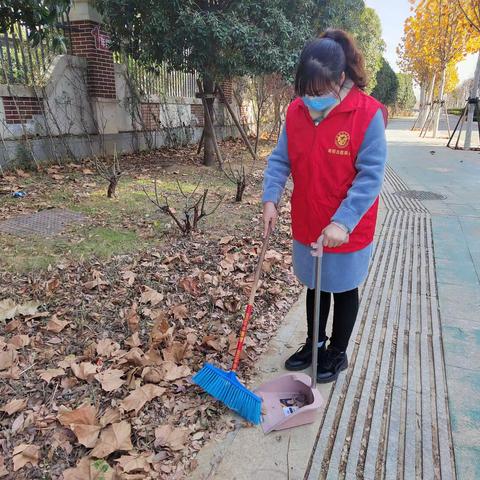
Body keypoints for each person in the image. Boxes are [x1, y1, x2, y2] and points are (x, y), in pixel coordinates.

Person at [262, 28, 388, 383]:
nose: (310, 99)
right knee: (315, 286)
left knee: (343, 287)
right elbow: (280, 160)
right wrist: (270, 198)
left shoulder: (367, 114)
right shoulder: (296, 112)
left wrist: (343, 222)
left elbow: (370, 177)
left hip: (347, 227)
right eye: (305, 91)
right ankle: (314, 344)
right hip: (308, 219)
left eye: (318, 92)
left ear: (341, 79)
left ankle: (337, 352)